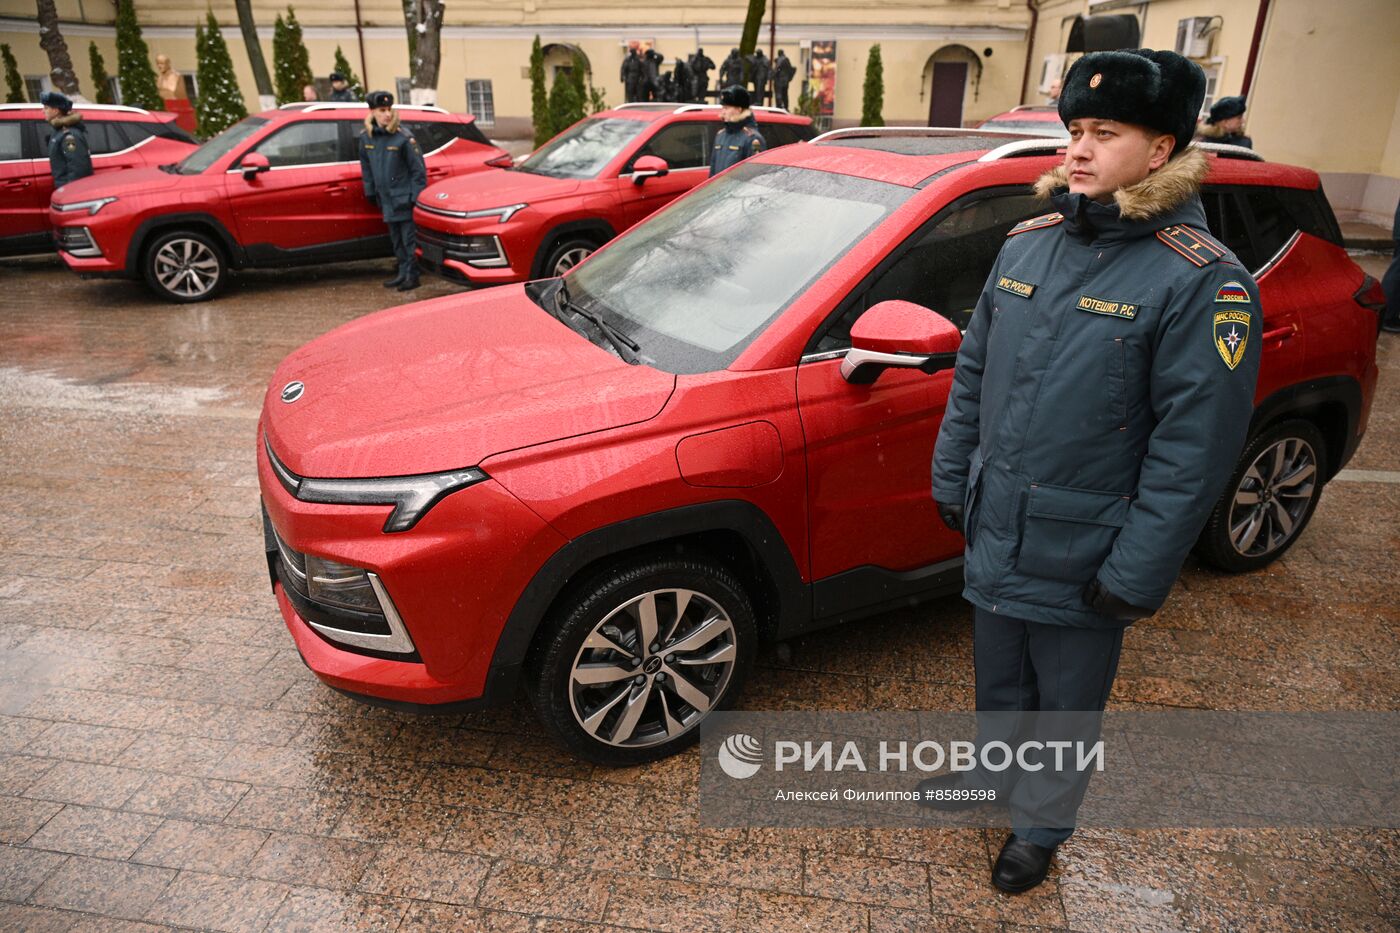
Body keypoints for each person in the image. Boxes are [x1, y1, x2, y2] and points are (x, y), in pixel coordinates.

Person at [920, 48, 1261, 894]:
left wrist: (1139, 568)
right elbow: (973, 373)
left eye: (1104, 133)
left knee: (1067, 698)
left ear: (1161, 150)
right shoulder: (1028, 244)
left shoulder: (1201, 278)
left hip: (1089, 544)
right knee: (999, 673)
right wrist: (952, 473)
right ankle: (991, 774)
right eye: (1073, 129)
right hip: (1001, 515)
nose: (1077, 148)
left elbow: (1196, 447)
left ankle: (1038, 826)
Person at [359, 90, 427, 292]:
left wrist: (415, 198)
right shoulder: (367, 138)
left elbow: (418, 171)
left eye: (389, 109)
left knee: (408, 240)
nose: (387, 114)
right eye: (382, 110)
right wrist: (370, 190)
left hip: (404, 199)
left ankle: (412, 275)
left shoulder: (403, 138)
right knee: (396, 240)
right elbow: (366, 167)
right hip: (386, 199)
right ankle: (402, 273)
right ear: (372, 112)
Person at [40, 91, 92, 190]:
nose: (42, 111)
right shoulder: (57, 132)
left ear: (55, 110)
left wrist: (70, 191)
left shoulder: (69, 136)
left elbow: (78, 167)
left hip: (72, 191)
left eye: (46, 108)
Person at [710, 85, 765, 177]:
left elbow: (755, 176)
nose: (723, 112)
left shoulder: (752, 139)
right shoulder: (720, 135)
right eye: (722, 108)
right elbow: (712, 174)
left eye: (726, 108)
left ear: (739, 110)